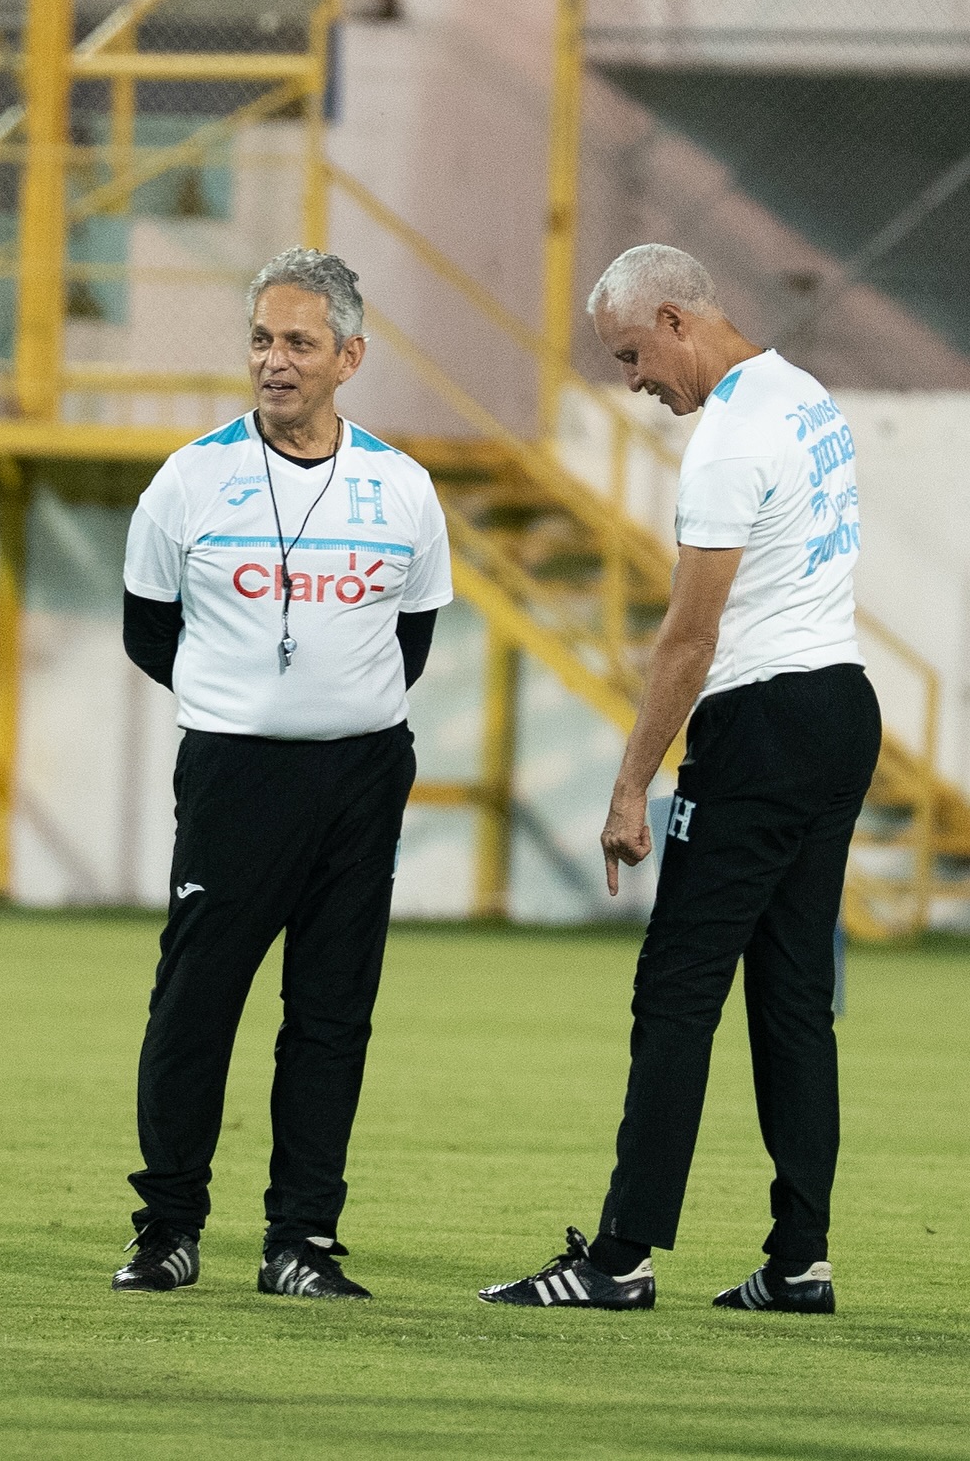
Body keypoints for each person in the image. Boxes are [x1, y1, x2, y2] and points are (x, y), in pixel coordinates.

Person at [479, 244, 880, 1316]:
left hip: (760, 727)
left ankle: (618, 1258)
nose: (633, 382)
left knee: (677, 990)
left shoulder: (730, 441)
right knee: (794, 998)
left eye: (630, 355)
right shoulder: (805, 396)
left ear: (674, 319)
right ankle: (799, 1260)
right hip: (841, 706)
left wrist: (629, 788)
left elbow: (688, 641)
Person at [114, 246, 453, 1299]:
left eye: (299, 342)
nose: (275, 360)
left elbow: (411, 639)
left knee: (332, 1013)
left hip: (362, 779)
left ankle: (300, 1240)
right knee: (195, 1003)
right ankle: (169, 1229)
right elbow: (146, 629)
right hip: (234, 777)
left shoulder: (403, 488)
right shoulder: (189, 479)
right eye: (262, 339)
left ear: (350, 356)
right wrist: (240, 699)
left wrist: (331, 709)